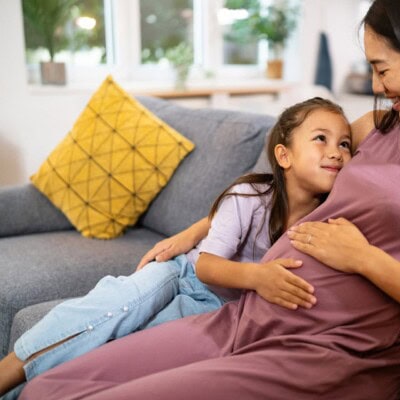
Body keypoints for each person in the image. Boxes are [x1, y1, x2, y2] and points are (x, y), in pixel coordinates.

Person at [18, 0, 400, 398]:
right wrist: (196, 232)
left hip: (328, 356)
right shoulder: (374, 128)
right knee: (53, 386)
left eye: (382, 67)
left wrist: (367, 260)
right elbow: (274, 181)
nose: (378, 85)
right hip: (243, 318)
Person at [0, 97, 352, 398]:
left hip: (215, 309)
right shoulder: (249, 197)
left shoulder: (329, 220)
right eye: (321, 139)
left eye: (345, 144)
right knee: (112, 308)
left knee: (124, 350)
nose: (336, 152)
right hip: (181, 273)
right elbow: (206, 267)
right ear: (284, 156)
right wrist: (258, 277)